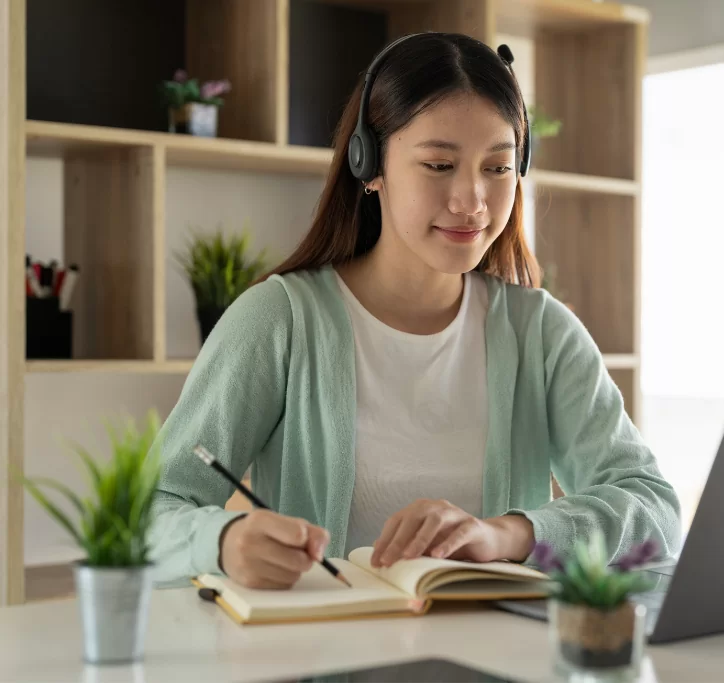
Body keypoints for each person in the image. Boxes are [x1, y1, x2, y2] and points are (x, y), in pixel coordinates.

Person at [148, 32, 682, 590]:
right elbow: (150, 513)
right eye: (439, 164)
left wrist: (509, 535)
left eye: (497, 169)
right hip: (326, 665)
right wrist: (223, 541)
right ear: (370, 165)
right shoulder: (278, 320)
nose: (471, 200)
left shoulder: (542, 333)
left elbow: (656, 510)